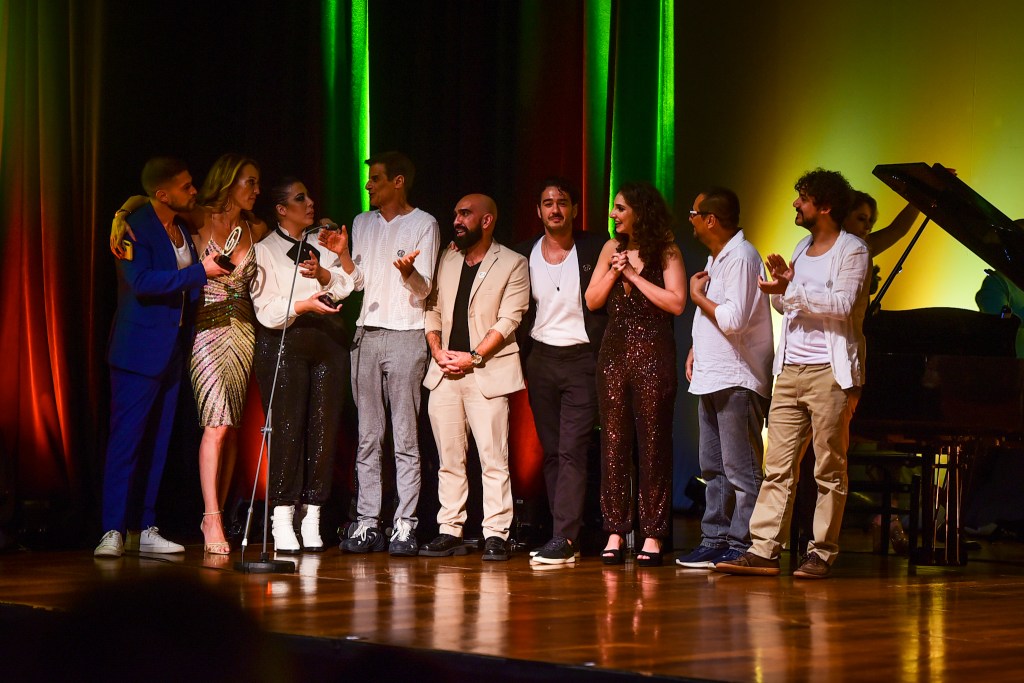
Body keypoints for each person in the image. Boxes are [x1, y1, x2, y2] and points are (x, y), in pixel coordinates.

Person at [714, 168, 870, 579]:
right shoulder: (801, 247)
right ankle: (764, 550)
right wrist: (780, 291)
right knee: (777, 466)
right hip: (790, 370)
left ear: (825, 206)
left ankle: (822, 552)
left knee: (828, 469)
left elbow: (842, 305)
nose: (795, 204)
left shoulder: (852, 250)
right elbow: (789, 306)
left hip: (830, 373)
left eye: (803, 197)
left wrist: (791, 290)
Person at [110, 153, 268, 555]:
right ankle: (125, 528)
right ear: (230, 182)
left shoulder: (249, 227)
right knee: (204, 427)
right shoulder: (190, 219)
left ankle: (157, 524)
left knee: (212, 431)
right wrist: (122, 212)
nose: (256, 189)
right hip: (194, 334)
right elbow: (149, 207)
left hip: (230, 334)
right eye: (249, 181)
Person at [96, 157, 229, 558]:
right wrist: (200, 272)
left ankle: (145, 527)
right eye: (186, 186)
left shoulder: (181, 228)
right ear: (163, 194)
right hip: (137, 352)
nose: (194, 190)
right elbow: (140, 282)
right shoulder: (134, 228)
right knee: (127, 443)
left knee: (158, 443)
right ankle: (112, 529)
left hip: (172, 350)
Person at [319, 151, 439, 557]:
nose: (369, 185)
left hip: (406, 334)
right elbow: (357, 282)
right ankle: (368, 521)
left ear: (398, 182)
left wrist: (408, 271)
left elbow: (425, 289)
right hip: (366, 334)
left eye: (377, 179)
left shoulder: (424, 224)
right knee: (369, 436)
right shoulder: (362, 222)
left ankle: (405, 524)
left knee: (405, 436)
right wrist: (343, 255)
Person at [418, 194, 529, 561]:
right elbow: (432, 308)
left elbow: (510, 319)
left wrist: (474, 356)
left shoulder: (512, 262)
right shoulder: (447, 258)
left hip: (486, 372)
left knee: (493, 458)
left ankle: (496, 532)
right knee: (449, 459)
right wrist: (437, 350)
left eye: (465, 214)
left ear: (486, 220)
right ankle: (450, 528)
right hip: (445, 372)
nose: (457, 220)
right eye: (455, 213)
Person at [584, 181, 687, 567]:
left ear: (640, 212)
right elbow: (592, 300)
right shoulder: (611, 249)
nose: (613, 214)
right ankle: (615, 530)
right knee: (613, 444)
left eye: (621, 208)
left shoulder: (667, 251)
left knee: (653, 446)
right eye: (614, 208)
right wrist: (615, 273)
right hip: (613, 356)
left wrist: (634, 276)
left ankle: (653, 533)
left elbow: (676, 303)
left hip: (654, 355)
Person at [250, 177, 354, 553]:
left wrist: (328, 270)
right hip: (285, 343)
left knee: (324, 430)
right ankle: (281, 517)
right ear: (281, 210)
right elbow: (266, 308)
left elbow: (346, 285)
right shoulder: (264, 250)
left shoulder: (321, 242)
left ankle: (312, 516)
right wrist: (303, 305)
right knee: (287, 429)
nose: (310, 202)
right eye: (299, 198)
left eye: (309, 195)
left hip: (327, 342)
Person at [676, 188, 774, 569]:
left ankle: (743, 541)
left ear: (711, 219)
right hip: (713, 375)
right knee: (713, 468)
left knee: (741, 469)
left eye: (694, 213)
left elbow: (733, 319)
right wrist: (696, 347)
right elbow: (716, 320)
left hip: (737, 378)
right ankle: (714, 538)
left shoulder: (743, 258)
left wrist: (696, 297)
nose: (691, 219)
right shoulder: (717, 258)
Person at [515, 177, 608, 565]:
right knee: (552, 452)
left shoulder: (595, 247)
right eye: (548, 203)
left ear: (574, 209)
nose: (555, 209)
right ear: (538, 211)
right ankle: (562, 534)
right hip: (540, 359)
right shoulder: (523, 253)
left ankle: (565, 537)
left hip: (582, 360)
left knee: (572, 450)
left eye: (563, 202)